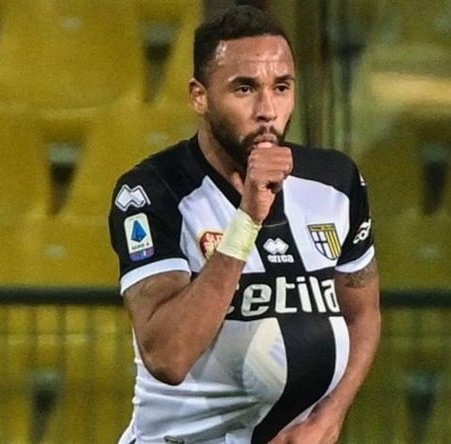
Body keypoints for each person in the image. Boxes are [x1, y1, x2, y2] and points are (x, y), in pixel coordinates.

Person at [109, 5, 380, 444]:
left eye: (282, 87)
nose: (268, 110)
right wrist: (248, 218)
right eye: (244, 88)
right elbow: (168, 357)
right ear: (199, 97)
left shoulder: (336, 182)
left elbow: (362, 313)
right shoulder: (153, 192)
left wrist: (329, 419)